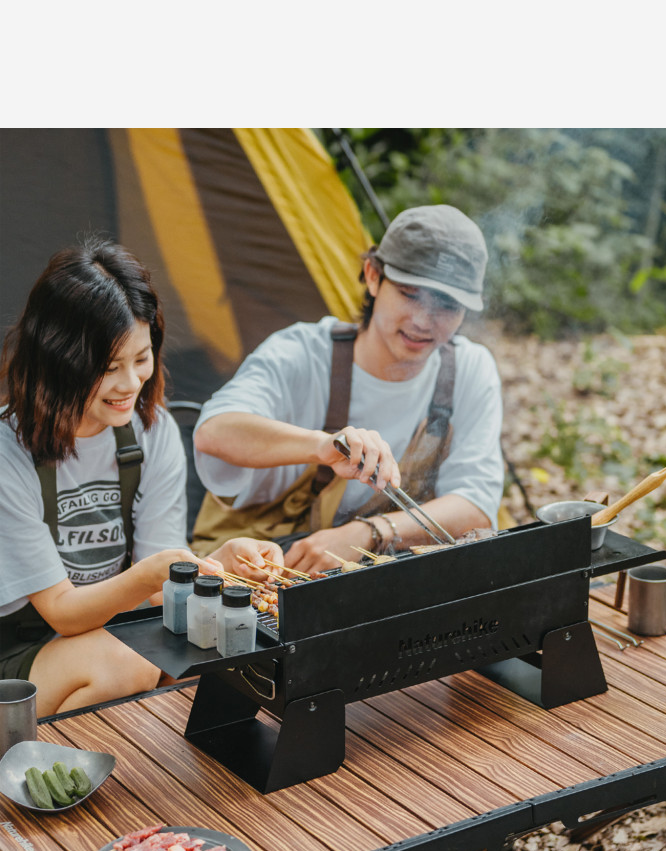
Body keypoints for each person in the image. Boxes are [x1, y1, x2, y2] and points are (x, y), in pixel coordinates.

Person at [0, 239, 284, 716]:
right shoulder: (8, 449)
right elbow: (63, 612)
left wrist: (220, 563)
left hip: (98, 636)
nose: (131, 383)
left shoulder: (152, 431)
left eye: (141, 358)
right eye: (109, 367)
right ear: (58, 358)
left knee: (198, 648)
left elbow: (158, 589)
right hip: (18, 659)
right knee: (129, 664)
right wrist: (157, 573)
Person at [192, 204, 505, 575]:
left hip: (378, 578)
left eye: (447, 306)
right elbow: (215, 431)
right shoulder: (303, 353)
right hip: (261, 568)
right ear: (373, 276)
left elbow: (475, 503)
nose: (423, 320)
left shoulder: (468, 369)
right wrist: (322, 446)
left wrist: (367, 534)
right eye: (409, 294)